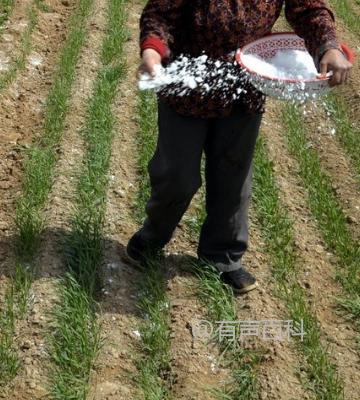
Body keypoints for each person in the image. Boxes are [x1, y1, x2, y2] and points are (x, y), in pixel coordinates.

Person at [127, 0, 353, 293]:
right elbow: (160, 12)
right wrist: (152, 53)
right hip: (186, 93)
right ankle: (152, 236)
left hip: (244, 91)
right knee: (176, 176)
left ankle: (223, 257)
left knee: (234, 177)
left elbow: (308, 10)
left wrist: (328, 47)